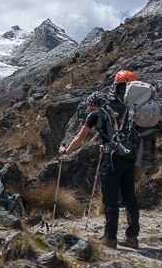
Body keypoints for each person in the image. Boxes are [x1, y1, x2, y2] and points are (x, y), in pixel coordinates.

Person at [58, 91, 140, 249]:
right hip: (129, 156)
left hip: (112, 159)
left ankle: (110, 238)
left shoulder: (95, 115)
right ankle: (132, 237)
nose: (88, 108)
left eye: (89, 105)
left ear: (94, 104)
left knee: (110, 198)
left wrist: (66, 150)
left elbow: (80, 137)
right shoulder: (122, 112)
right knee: (129, 196)